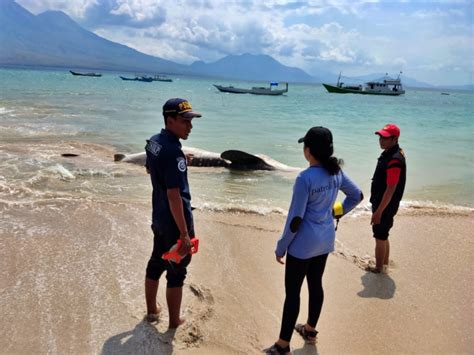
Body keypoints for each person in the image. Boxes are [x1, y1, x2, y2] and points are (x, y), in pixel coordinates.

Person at [264, 127, 363, 354]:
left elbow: (296, 219)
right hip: (325, 240)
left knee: (293, 293)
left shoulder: (304, 178)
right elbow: (357, 196)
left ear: (308, 150)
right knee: (316, 284)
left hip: (303, 246)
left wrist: (281, 246)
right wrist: (335, 212)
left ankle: (282, 345)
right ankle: (309, 330)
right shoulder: (335, 172)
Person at [144, 98, 202, 328]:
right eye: (185, 121)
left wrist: (180, 161)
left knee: (156, 261)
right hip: (174, 221)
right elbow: (174, 196)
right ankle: (175, 321)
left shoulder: (155, 143)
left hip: (158, 216)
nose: (190, 126)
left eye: (191, 121)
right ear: (170, 121)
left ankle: (151, 310)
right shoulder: (173, 153)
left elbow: (150, 168)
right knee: (177, 270)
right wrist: (185, 234)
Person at [367, 123, 406, 274]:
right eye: (380, 136)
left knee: (379, 236)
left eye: (385, 137)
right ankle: (383, 264)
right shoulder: (392, 152)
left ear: (394, 139)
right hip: (385, 204)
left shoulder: (394, 159)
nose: (381, 140)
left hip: (385, 205)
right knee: (383, 235)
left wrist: (378, 212)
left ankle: (378, 268)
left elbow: (391, 189)